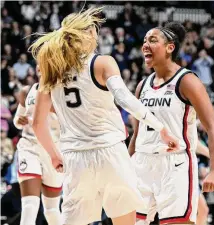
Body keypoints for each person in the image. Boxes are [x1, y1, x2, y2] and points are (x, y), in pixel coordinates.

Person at [28, 8, 178, 225]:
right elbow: (125, 99)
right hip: (110, 152)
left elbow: (37, 122)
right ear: (88, 33)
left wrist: (53, 155)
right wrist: (160, 128)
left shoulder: (53, 70)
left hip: (74, 156)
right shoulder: (102, 62)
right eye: (95, 31)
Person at [128, 22, 214, 225]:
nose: (145, 44)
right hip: (142, 163)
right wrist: (126, 165)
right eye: (144, 40)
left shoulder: (187, 80)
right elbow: (137, 134)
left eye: (152, 40)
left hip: (175, 164)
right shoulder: (142, 86)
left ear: (170, 47)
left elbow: (212, 126)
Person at [13, 66, 63, 225]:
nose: (41, 66)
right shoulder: (27, 91)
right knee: (29, 205)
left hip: (53, 151)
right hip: (29, 147)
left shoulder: (61, 92)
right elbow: (17, 121)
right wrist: (20, 121)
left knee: (52, 210)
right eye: (39, 62)